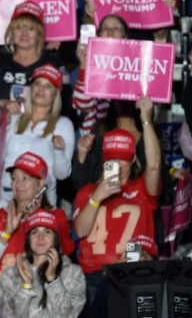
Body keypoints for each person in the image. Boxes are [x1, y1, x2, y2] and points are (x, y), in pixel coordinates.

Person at [73, 99, 160, 316]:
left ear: (133, 161)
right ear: (103, 162)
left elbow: (154, 165)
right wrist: (97, 197)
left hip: (130, 272)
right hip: (92, 278)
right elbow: (81, 231)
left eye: (123, 160)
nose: (119, 167)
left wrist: (146, 121)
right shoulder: (88, 192)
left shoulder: (141, 190)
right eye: (112, 161)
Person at [0, 152, 74, 299]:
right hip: (3, 299)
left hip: (41, 299)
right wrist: (6, 233)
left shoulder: (56, 217)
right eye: (14, 178)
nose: (18, 184)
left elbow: (64, 257)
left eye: (25, 178)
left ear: (40, 184)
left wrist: (37, 219)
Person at [0, 63, 74, 211]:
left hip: (41, 207)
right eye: (37, 84)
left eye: (48, 86)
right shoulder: (15, 119)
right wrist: (2, 123)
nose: (41, 89)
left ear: (56, 93)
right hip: (6, 203)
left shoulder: (63, 125)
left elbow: (62, 175)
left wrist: (58, 151)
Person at [0, 1, 71, 117]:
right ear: (11, 32)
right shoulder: (0, 61)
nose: (24, 33)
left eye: (31, 29)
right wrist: (1, 104)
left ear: (39, 34)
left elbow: (67, 102)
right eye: (18, 28)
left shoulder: (55, 63)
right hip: (7, 128)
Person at [0, 210, 86, 317]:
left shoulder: (73, 273)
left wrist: (53, 280)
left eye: (47, 231)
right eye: (34, 232)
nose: (40, 237)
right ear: (28, 240)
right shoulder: (11, 275)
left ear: (55, 239)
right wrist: (26, 287)